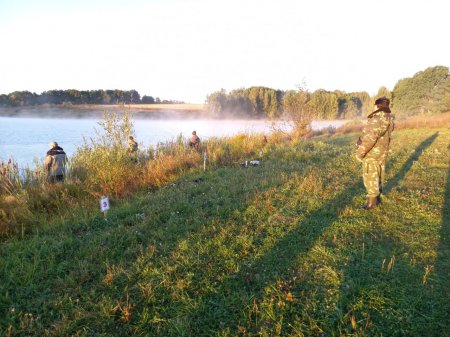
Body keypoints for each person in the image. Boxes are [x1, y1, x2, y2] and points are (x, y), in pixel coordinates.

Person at [355, 97, 395, 209]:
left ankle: (371, 204)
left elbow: (369, 139)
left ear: (377, 106)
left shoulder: (376, 120)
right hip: (382, 152)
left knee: (370, 176)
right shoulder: (388, 119)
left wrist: (360, 153)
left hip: (372, 153)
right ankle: (376, 198)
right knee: (379, 174)